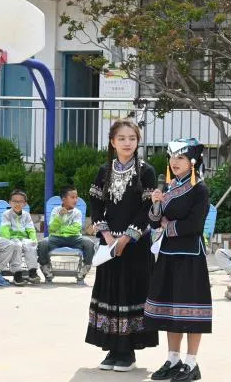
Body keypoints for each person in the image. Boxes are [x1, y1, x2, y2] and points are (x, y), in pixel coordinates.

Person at [86, 119, 158, 372]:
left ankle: (127, 352)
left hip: (135, 245)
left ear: (138, 142)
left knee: (130, 293)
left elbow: (147, 208)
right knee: (110, 293)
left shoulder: (146, 171)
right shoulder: (103, 171)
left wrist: (127, 238)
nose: (128, 143)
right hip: (109, 244)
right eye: (122, 138)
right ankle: (113, 349)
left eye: (132, 138)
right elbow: (95, 205)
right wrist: (106, 235)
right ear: (112, 142)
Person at [146, 138, 211, 382]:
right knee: (170, 310)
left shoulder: (200, 189)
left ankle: (191, 363)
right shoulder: (170, 186)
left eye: (181, 158)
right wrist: (155, 204)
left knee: (192, 312)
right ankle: (173, 359)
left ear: (192, 162)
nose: (174, 162)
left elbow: (194, 225)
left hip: (190, 256)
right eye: (172, 157)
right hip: (167, 254)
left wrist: (166, 224)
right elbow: (153, 221)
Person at [37, 186, 95, 284]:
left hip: (74, 238)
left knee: (89, 243)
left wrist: (61, 230)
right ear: (64, 199)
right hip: (56, 238)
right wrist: (60, 216)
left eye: (76, 197)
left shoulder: (77, 212)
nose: (75, 200)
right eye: (72, 197)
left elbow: (77, 228)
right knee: (42, 243)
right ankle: (45, 267)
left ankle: (85, 268)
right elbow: (51, 228)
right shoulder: (56, 210)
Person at [0, 190, 41, 285]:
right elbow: (4, 229)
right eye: (15, 201)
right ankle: (17, 274)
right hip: (11, 239)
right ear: (10, 202)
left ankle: (32, 272)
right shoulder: (6, 214)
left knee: (30, 244)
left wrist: (33, 239)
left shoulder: (26, 215)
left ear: (25, 204)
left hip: (23, 239)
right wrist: (7, 241)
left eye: (20, 201)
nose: (17, 204)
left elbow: (30, 229)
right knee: (16, 245)